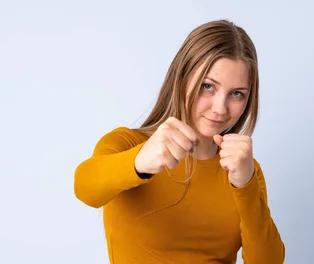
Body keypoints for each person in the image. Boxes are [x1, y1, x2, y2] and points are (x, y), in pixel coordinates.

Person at [74, 19, 285, 264]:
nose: (220, 108)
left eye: (236, 93)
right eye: (208, 86)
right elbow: (85, 188)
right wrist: (138, 161)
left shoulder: (247, 171)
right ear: (182, 78)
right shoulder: (126, 143)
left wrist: (245, 186)